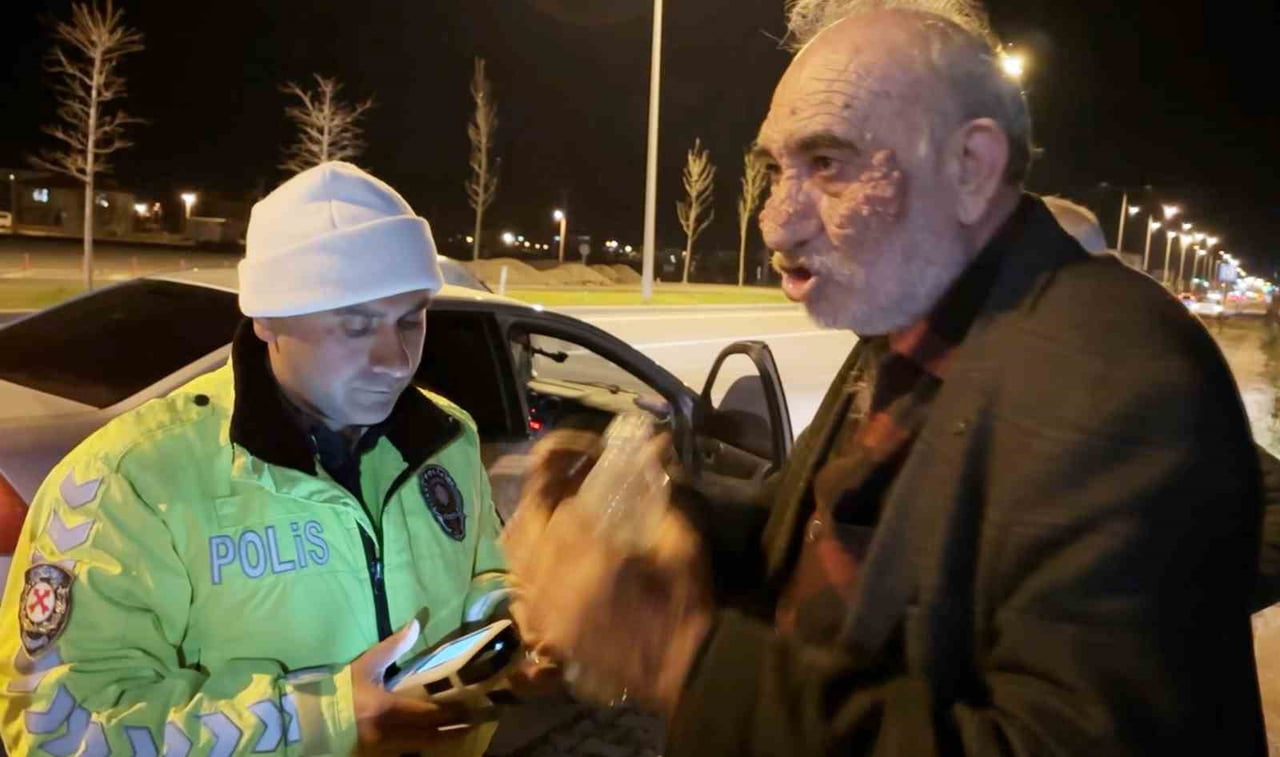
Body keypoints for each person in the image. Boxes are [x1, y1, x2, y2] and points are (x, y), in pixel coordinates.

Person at [504, 2, 1266, 755]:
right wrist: (674, 531)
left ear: (970, 166)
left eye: (828, 163)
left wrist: (671, 654)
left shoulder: (1111, 374)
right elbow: (832, 526)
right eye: (775, 168)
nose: (776, 221)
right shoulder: (912, 321)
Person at [0, 162, 512, 756]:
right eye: (355, 325)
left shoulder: (447, 438)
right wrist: (317, 720)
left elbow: (483, 576)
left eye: (411, 320)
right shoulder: (129, 481)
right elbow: (58, 729)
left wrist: (521, 623)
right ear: (267, 319)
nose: (396, 359)